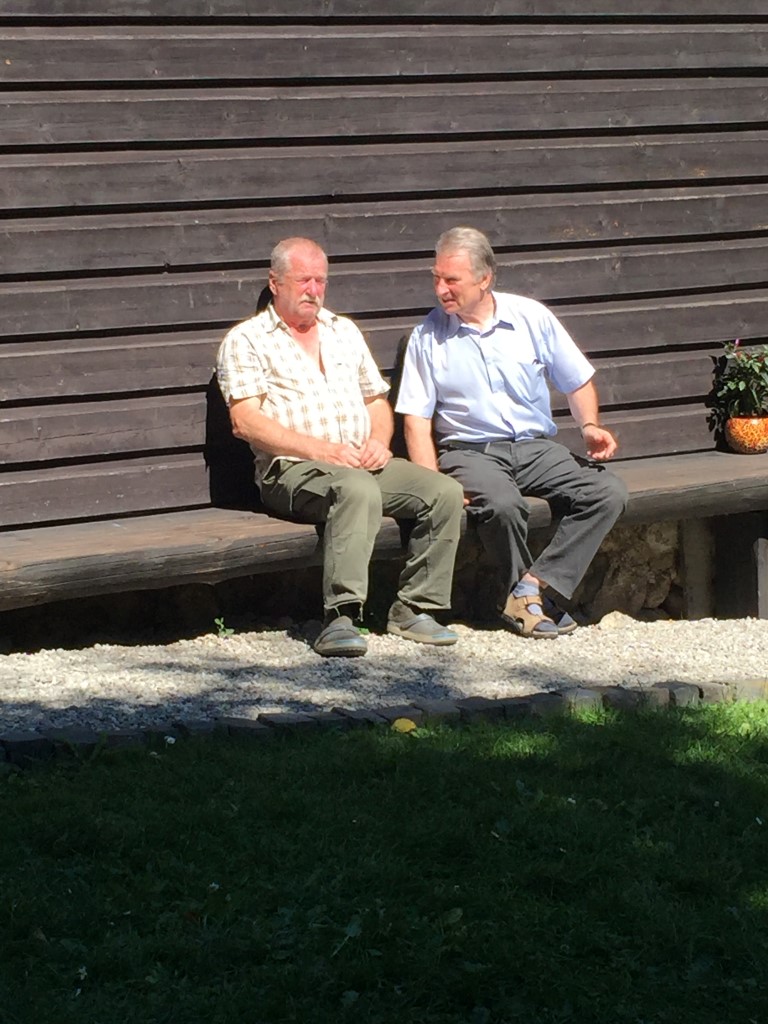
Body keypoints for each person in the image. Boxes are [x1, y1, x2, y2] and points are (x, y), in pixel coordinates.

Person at [216, 236, 464, 657]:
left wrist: (379, 442)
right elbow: (246, 421)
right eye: (304, 281)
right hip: (290, 471)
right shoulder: (247, 340)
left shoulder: (342, 330)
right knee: (356, 488)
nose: (314, 290)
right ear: (275, 283)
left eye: (321, 281)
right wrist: (321, 451)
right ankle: (341, 617)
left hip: (357, 461)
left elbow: (376, 400)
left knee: (443, 492)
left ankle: (414, 607)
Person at [396, 225, 628, 638]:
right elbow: (416, 418)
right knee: (504, 506)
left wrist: (590, 426)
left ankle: (532, 588)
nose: (441, 290)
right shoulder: (427, 338)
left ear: (484, 279)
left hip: (535, 447)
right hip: (470, 451)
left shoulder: (530, 317)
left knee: (607, 491)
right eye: (436, 278)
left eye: (452, 280)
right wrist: (433, 483)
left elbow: (576, 380)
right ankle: (528, 603)